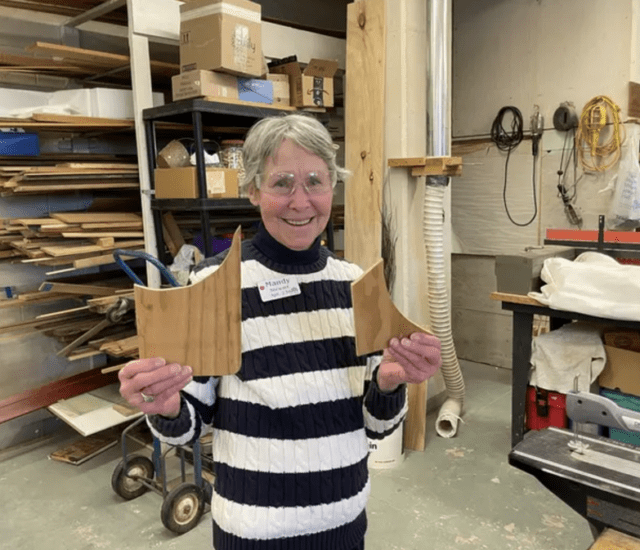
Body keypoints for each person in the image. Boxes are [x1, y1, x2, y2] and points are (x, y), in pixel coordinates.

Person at [118, 113, 442, 550]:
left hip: (343, 524)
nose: (300, 200)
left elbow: (375, 426)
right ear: (253, 189)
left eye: (315, 181)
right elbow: (187, 427)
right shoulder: (216, 284)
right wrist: (167, 405)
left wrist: (388, 385)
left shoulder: (356, 287)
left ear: (333, 186)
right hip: (254, 533)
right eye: (282, 182)